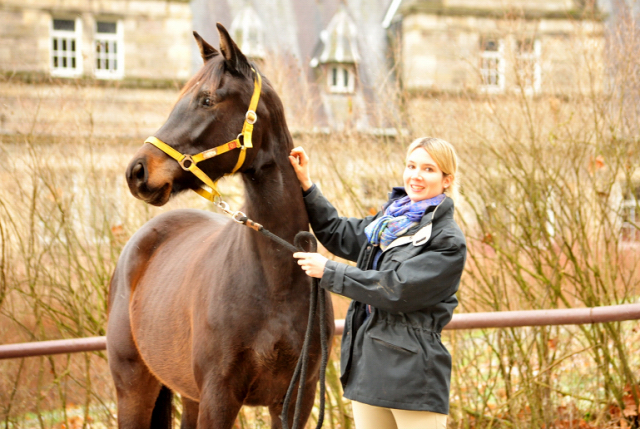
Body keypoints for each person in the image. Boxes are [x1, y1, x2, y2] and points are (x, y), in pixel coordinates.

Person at [289, 137, 467, 429]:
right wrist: (307, 186)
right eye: (411, 166)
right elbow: (337, 232)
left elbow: (398, 289)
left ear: (446, 180)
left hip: (414, 379)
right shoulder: (388, 224)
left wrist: (330, 272)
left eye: (429, 169)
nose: (416, 175)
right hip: (368, 371)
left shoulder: (447, 241)